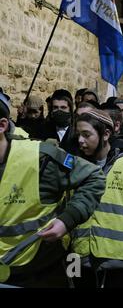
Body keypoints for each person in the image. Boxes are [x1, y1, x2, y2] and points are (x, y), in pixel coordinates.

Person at [0, 91, 105, 288]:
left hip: (40, 272)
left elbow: (94, 177)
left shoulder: (40, 158)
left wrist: (67, 220)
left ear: (2, 125)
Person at [71, 110, 123, 288]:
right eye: (78, 135)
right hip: (78, 256)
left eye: (87, 135)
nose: (81, 140)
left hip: (118, 257)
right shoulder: (74, 164)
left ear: (106, 134)